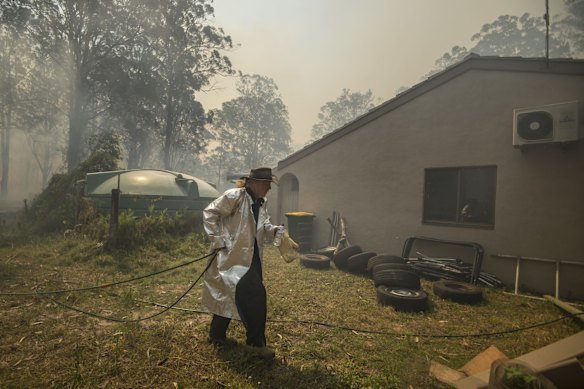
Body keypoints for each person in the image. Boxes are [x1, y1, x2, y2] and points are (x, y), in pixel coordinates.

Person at [201, 167, 282, 360]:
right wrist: (218, 239)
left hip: (251, 258)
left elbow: (263, 226)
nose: (269, 188)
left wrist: (275, 230)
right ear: (253, 183)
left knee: (230, 292)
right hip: (231, 257)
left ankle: (216, 335)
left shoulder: (261, 202)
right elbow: (210, 213)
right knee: (255, 295)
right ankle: (256, 344)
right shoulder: (234, 196)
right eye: (266, 184)